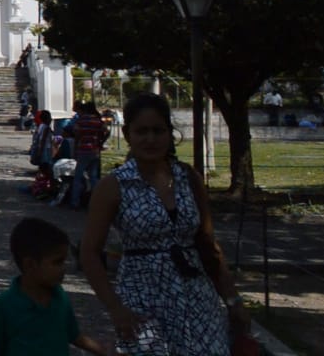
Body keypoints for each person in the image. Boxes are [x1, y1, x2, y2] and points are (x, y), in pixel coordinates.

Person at [80, 93, 249, 356]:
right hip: (142, 301)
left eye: (158, 131)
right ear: (127, 134)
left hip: (197, 297)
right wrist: (115, 308)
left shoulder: (188, 178)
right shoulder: (113, 186)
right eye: (142, 131)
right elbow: (89, 252)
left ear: (170, 133)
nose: (150, 139)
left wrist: (232, 299)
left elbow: (208, 244)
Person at [0, 217, 106, 356]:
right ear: (30, 265)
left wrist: (102, 350)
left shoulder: (60, 298)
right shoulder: (3, 305)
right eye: (57, 262)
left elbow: (74, 335)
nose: (63, 269)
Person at [70, 102, 109, 210]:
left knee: (78, 177)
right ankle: (97, 202)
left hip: (83, 150)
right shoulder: (97, 121)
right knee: (93, 177)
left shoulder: (81, 120)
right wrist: (100, 142)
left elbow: (77, 135)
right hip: (95, 151)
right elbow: (107, 131)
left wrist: (75, 150)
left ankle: (75, 202)